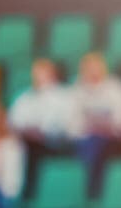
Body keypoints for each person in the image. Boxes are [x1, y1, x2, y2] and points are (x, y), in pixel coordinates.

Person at [8, 59, 73, 195]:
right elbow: (13, 123)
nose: (37, 77)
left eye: (42, 73)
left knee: (32, 147)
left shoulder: (64, 97)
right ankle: (11, 191)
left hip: (54, 143)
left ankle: (30, 192)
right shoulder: (24, 97)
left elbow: (65, 125)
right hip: (24, 141)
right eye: (35, 73)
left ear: (53, 75)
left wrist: (42, 132)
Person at [67, 53, 121, 193]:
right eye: (89, 68)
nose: (93, 71)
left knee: (99, 144)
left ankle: (92, 191)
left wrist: (104, 125)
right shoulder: (76, 90)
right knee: (90, 143)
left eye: (96, 67)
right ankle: (83, 189)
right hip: (85, 138)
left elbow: (120, 120)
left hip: (112, 139)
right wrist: (89, 126)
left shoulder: (115, 89)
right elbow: (71, 123)